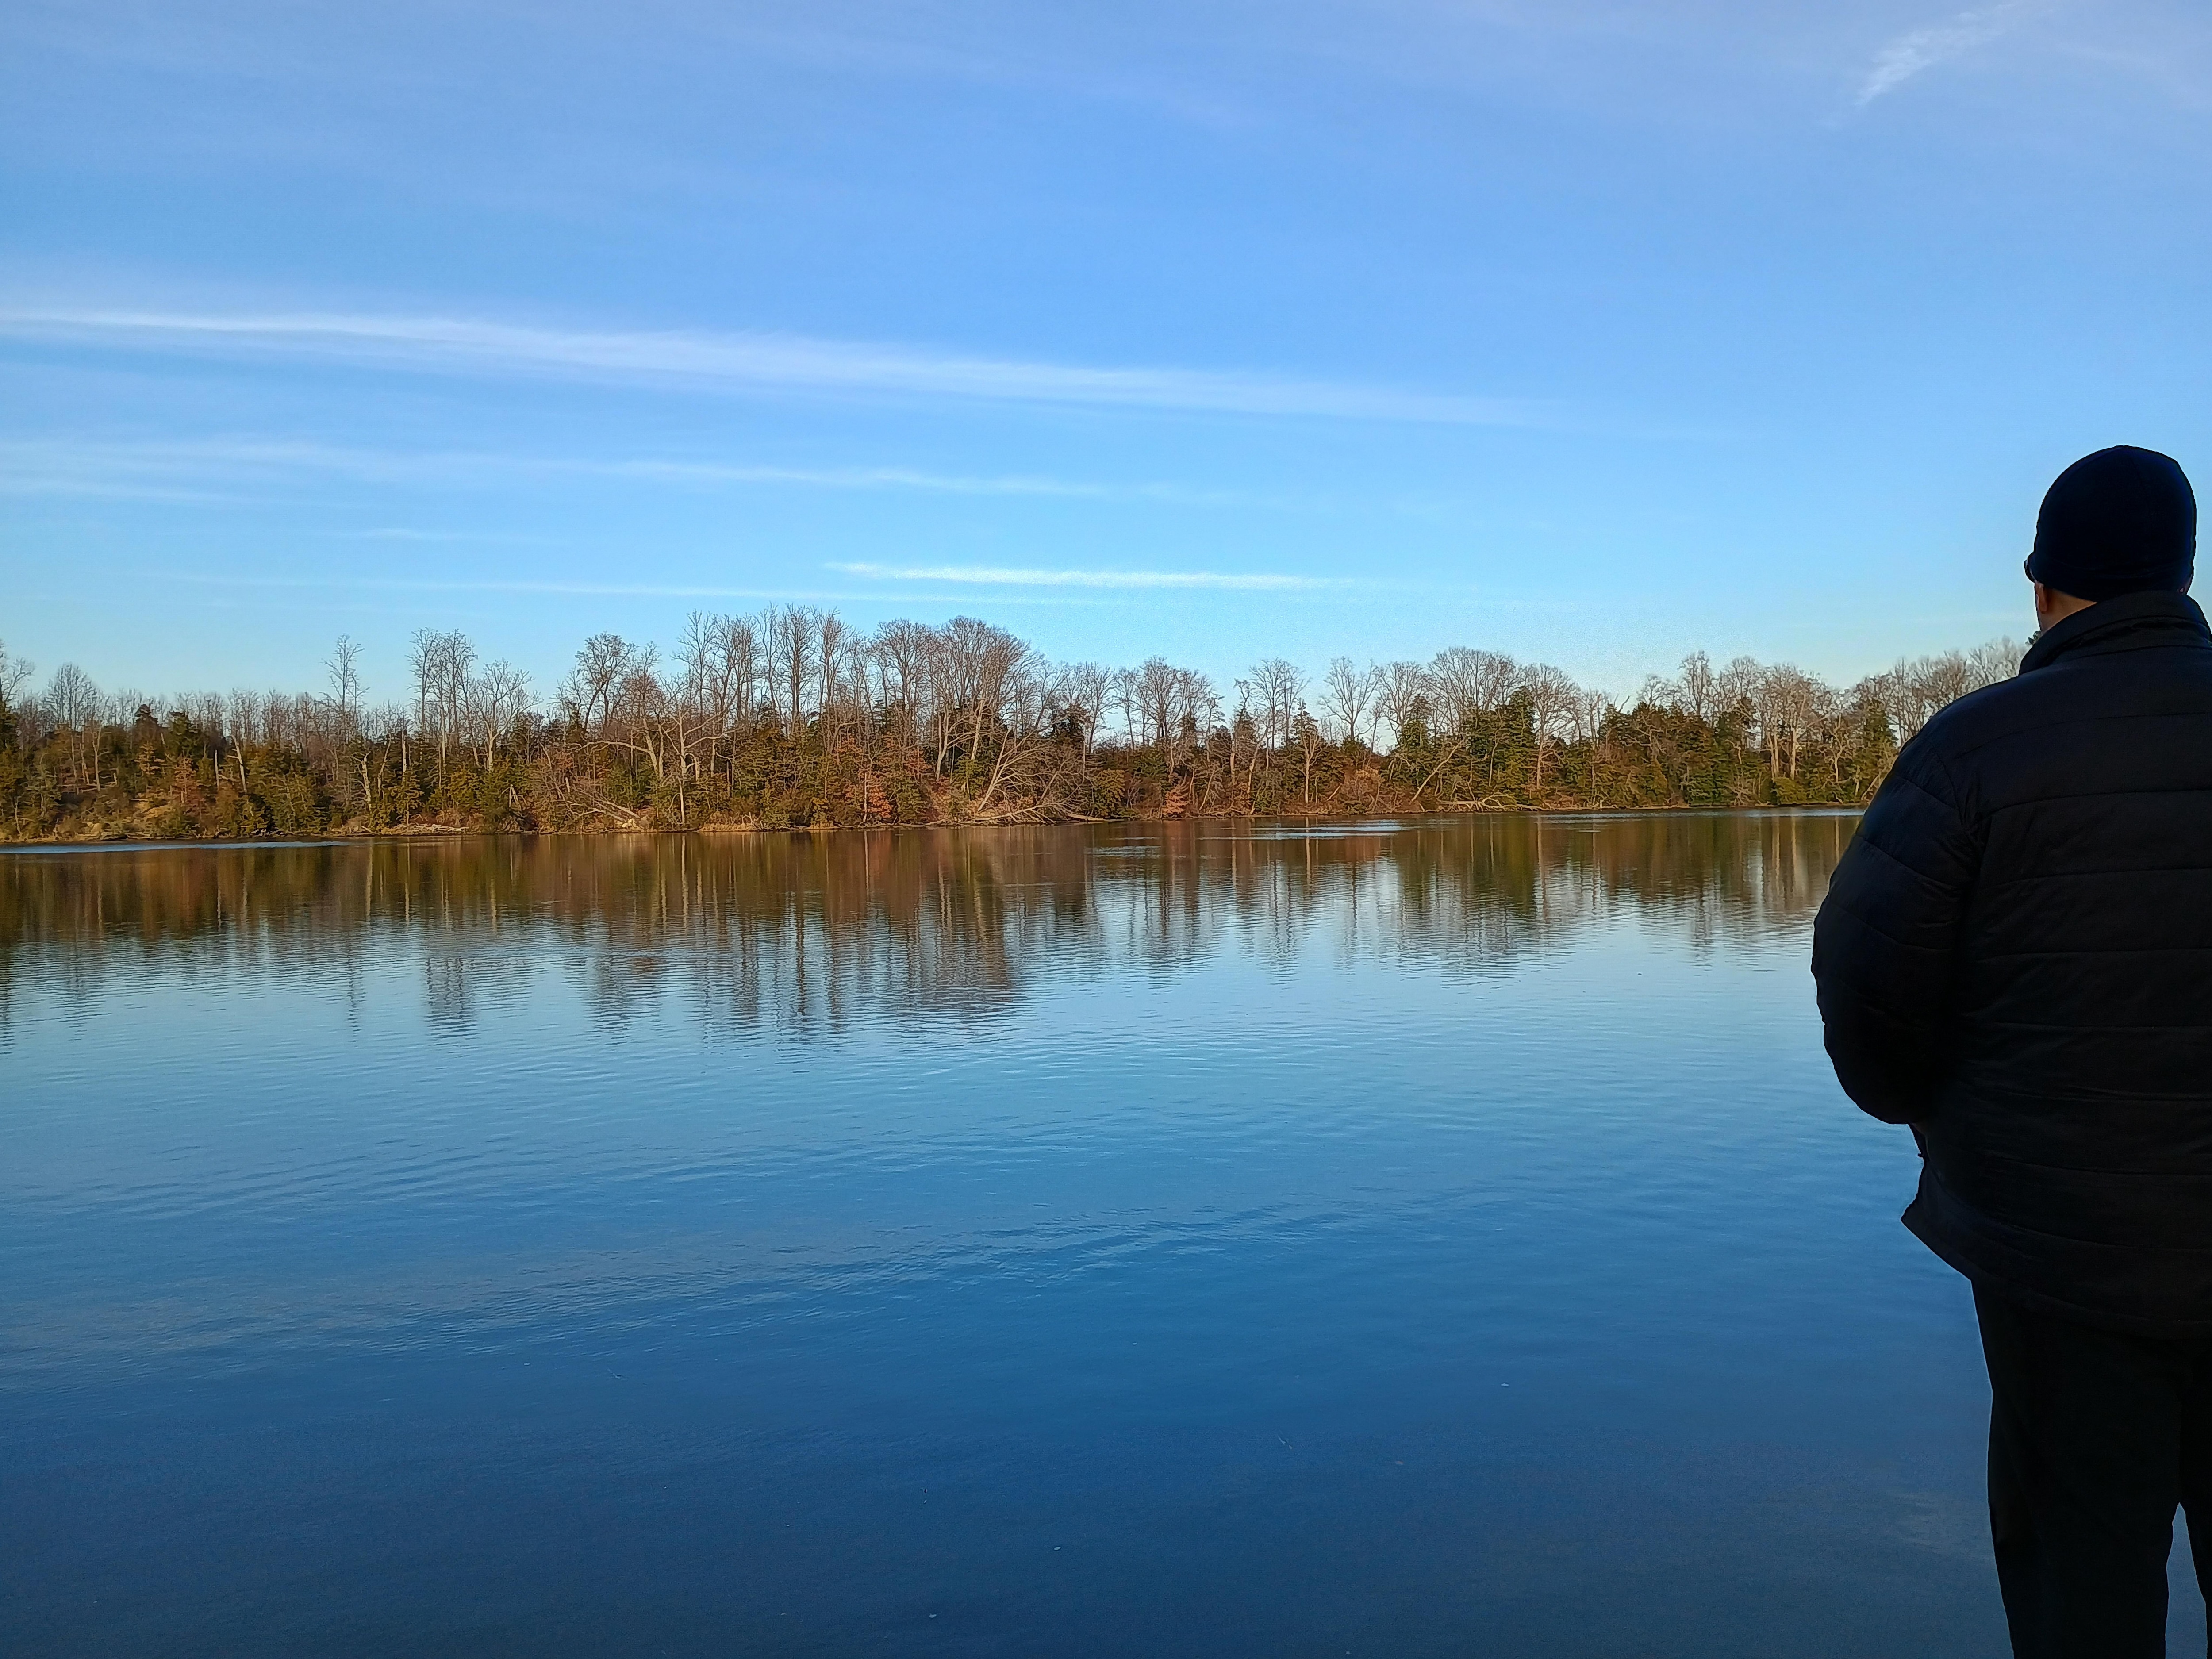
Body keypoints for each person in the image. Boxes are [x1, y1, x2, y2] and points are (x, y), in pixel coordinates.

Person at [1813, 445, 2212, 1659]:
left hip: (2062, 1258)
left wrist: (1921, 1109)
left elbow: (1866, 978)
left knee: (2083, 1594)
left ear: (2043, 586)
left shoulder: (1977, 749)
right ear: (2183, 573)